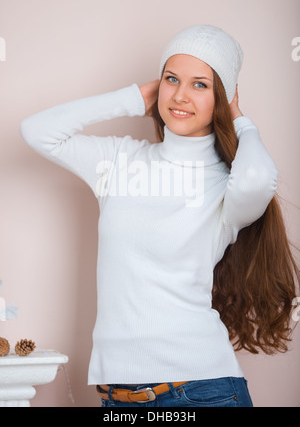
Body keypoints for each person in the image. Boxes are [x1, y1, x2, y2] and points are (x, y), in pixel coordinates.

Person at [20, 25, 299, 408]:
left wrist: (240, 117)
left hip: (200, 391)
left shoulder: (225, 185)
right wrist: (134, 97)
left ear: (221, 96)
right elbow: (37, 131)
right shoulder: (119, 160)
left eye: (201, 85)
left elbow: (258, 179)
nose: (181, 95)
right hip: (119, 399)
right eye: (172, 79)